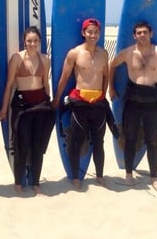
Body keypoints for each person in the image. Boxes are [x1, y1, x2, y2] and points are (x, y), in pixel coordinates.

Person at [108, 21, 157, 190]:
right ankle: (128, 175)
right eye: (139, 33)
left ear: (151, 33)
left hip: (152, 102)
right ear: (134, 35)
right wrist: (111, 87)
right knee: (130, 138)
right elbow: (112, 65)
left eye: (145, 32)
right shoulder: (127, 53)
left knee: (152, 141)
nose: (142, 35)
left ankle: (154, 177)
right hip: (133, 100)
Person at [52, 18, 117, 189]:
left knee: (99, 141)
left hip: (98, 103)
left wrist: (103, 96)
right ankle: (75, 178)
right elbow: (64, 78)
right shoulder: (74, 53)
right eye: (89, 31)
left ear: (99, 33)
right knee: (76, 141)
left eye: (96, 32)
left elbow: (105, 77)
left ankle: (100, 176)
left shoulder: (104, 54)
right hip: (80, 102)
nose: (93, 35)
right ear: (83, 33)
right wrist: (57, 98)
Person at [0, 26, 55, 196]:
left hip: (40, 106)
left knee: (38, 145)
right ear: (24, 41)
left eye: (36, 40)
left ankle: (36, 182)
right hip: (22, 107)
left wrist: (49, 103)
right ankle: (18, 183)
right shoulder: (16, 58)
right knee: (22, 145)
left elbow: (45, 83)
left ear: (40, 41)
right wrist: (4, 108)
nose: (32, 43)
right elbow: (9, 85)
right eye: (29, 40)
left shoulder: (45, 59)